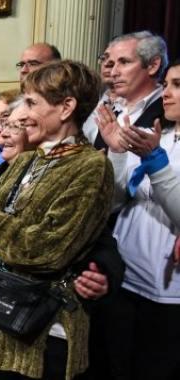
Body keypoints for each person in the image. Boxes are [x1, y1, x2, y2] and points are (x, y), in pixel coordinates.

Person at [0, 60, 112, 380]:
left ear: (66, 107)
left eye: (32, 103)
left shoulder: (91, 167)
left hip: (44, 335)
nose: (20, 114)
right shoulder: (28, 158)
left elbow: (46, 251)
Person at [93, 59, 180, 380]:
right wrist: (116, 150)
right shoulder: (155, 137)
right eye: (167, 84)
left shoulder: (153, 147)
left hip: (167, 294)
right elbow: (115, 200)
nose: (166, 94)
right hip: (125, 280)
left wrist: (156, 163)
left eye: (177, 86)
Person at [85, 31, 168, 150]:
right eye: (112, 64)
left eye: (124, 62)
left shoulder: (169, 111)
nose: (113, 73)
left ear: (153, 65)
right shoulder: (112, 110)